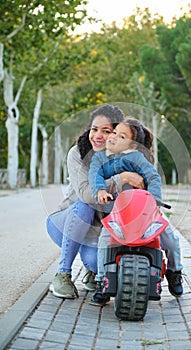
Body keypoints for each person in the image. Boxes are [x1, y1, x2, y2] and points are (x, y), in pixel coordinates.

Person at [46, 104, 145, 299]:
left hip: (96, 231)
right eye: (94, 129)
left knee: (96, 263)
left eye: (106, 131)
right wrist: (122, 178)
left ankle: (91, 271)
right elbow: (86, 194)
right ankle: (62, 275)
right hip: (66, 223)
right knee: (85, 206)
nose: (97, 136)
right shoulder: (77, 154)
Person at [88, 117, 183, 306]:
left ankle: (175, 271)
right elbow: (95, 174)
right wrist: (100, 190)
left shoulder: (136, 158)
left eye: (121, 136)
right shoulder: (99, 158)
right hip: (118, 212)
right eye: (114, 133)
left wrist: (155, 200)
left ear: (132, 145)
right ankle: (102, 281)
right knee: (105, 239)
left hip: (145, 210)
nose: (114, 137)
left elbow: (153, 177)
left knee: (170, 237)